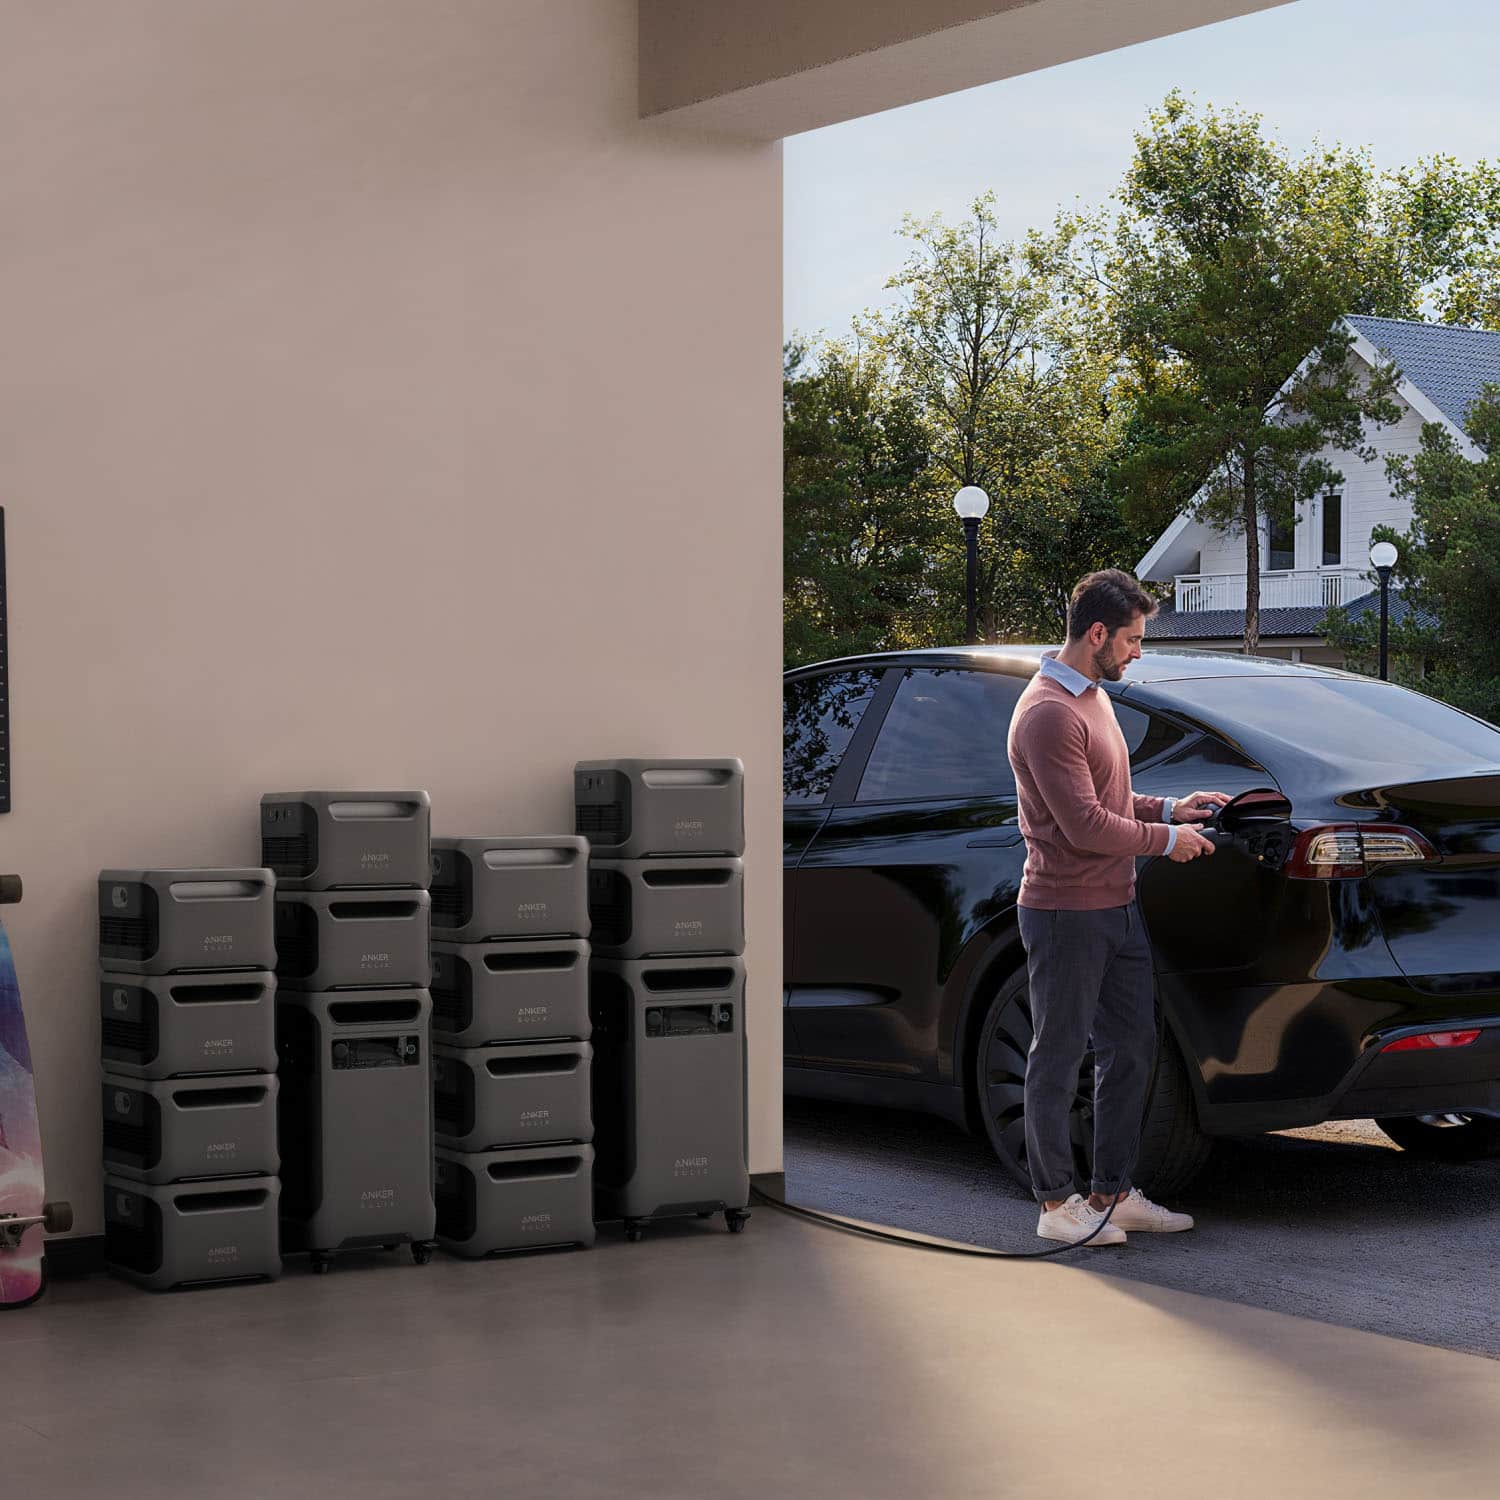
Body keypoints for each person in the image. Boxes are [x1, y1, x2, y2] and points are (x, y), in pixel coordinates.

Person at [1005, 569, 1229, 1247]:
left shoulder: (1093, 697)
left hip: (1116, 904)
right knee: (1058, 1053)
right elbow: (1083, 827)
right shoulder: (1047, 712)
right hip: (1065, 910)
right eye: (1132, 639)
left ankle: (1112, 1193)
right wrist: (1168, 841)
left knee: (1130, 1050)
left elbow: (1107, 798)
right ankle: (1054, 1205)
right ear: (1096, 633)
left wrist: (1168, 807)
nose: (1138, 651)